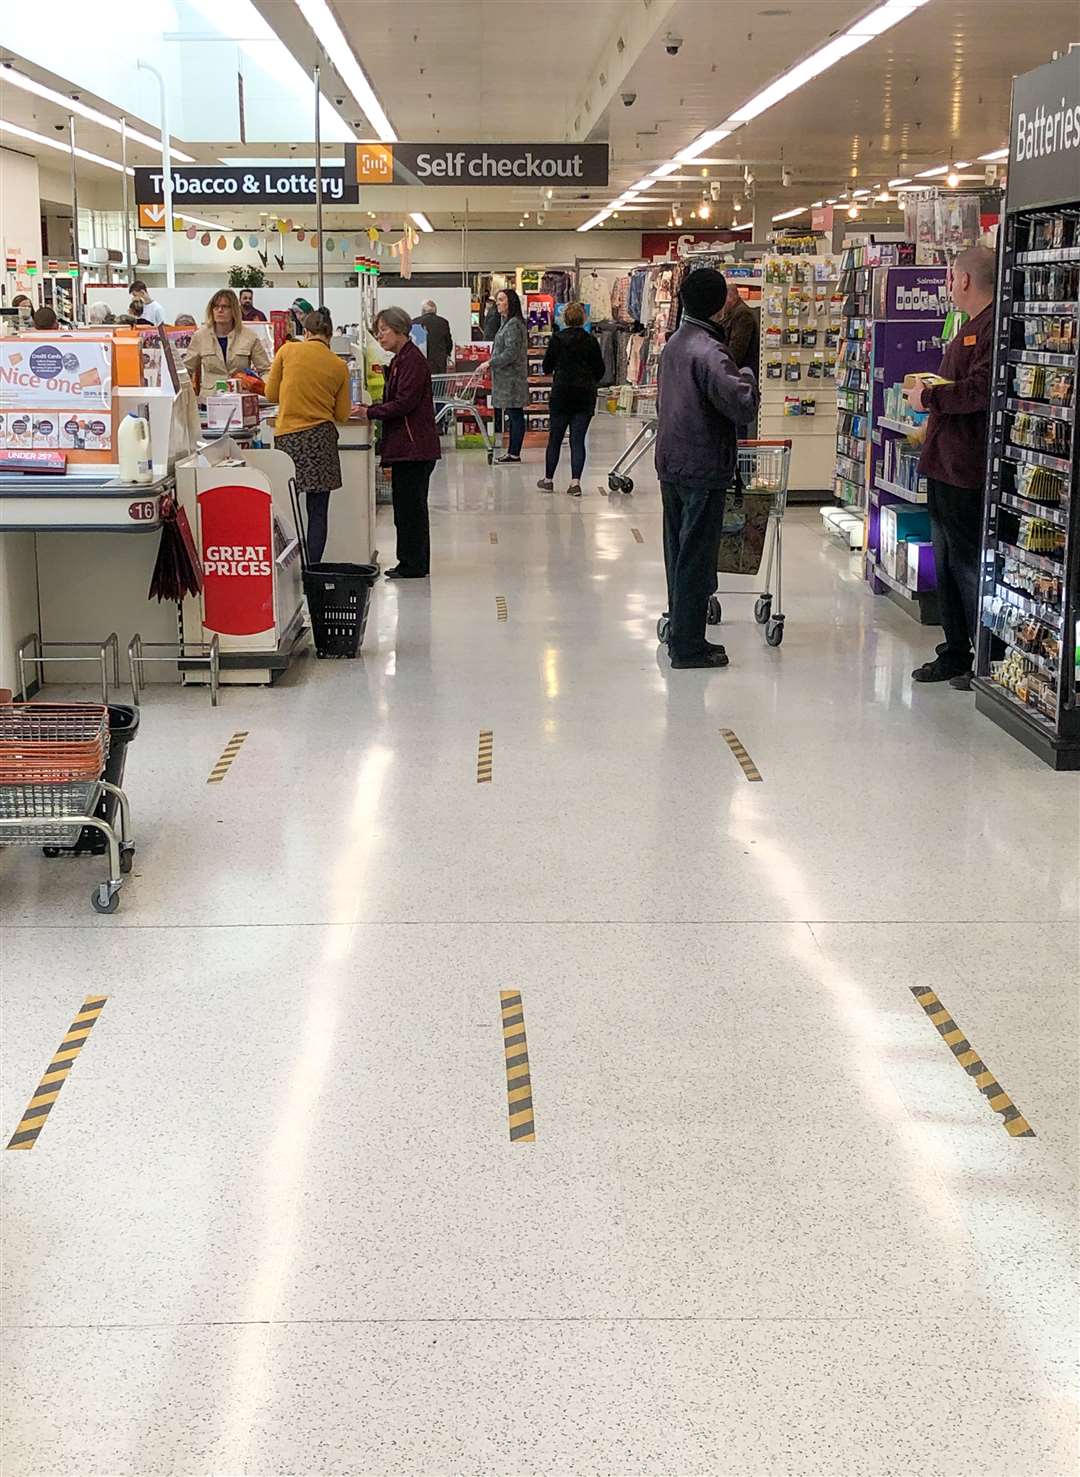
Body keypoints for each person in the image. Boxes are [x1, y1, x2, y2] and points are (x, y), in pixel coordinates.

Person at [654, 267, 759, 670]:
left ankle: (683, 634)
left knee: (678, 554)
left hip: (672, 461)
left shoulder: (675, 344)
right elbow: (741, 403)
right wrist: (747, 371)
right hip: (702, 464)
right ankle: (689, 647)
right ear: (719, 304)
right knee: (696, 558)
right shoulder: (710, 351)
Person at [905, 243, 996, 690]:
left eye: (950, 278)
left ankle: (982, 657)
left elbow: (981, 391)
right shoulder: (971, 326)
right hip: (946, 463)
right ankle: (957, 650)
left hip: (966, 467)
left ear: (963, 280)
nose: (948, 286)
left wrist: (932, 397)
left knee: (966, 564)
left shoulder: (993, 326)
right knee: (947, 561)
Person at [355, 306, 440, 580]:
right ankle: (410, 561)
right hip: (408, 446)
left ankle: (413, 564)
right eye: (378, 331)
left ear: (399, 329)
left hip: (413, 447)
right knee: (406, 508)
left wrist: (370, 411)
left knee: (410, 509)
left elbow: (404, 403)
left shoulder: (412, 361)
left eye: (383, 330)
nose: (379, 336)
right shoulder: (402, 360)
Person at [265, 308, 351, 564]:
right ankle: (312, 569)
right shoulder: (339, 365)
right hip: (321, 440)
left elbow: (271, 395)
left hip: (288, 438)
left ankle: (286, 568)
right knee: (318, 511)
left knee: (287, 507)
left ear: (306, 332)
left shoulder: (287, 351)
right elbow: (343, 414)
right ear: (329, 334)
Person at [537, 301, 604, 497]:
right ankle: (575, 482)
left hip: (561, 393)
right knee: (578, 440)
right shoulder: (591, 341)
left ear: (564, 318)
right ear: (584, 318)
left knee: (555, 439)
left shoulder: (557, 339)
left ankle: (548, 479)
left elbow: (546, 366)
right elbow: (600, 370)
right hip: (584, 395)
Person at [184, 289, 271, 390]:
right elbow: (186, 369)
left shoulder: (250, 336)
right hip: (209, 399)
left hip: (240, 397)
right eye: (216, 306)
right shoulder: (200, 336)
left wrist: (265, 389)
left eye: (225, 307)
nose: (220, 310)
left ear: (234, 310)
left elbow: (265, 370)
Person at [489, 288, 528, 464]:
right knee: (513, 414)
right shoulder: (506, 322)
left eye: (501, 299)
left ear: (510, 302)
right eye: (497, 300)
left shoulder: (513, 324)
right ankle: (512, 452)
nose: (498, 303)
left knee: (515, 414)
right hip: (507, 378)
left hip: (512, 379)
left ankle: (514, 453)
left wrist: (491, 362)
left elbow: (511, 353)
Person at [720, 281, 759, 372]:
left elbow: (736, 351)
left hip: (742, 372)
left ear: (732, 297)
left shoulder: (742, 315)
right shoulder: (732, 313)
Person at [413, 299, 453, 376]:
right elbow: (448, 342)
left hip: (420, 363)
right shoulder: (443, 322)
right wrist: (448, 353)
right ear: (435, 311)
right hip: (439, 363)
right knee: (439, 386)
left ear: (422, 311)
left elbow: (413, 344)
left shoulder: (415, 322)